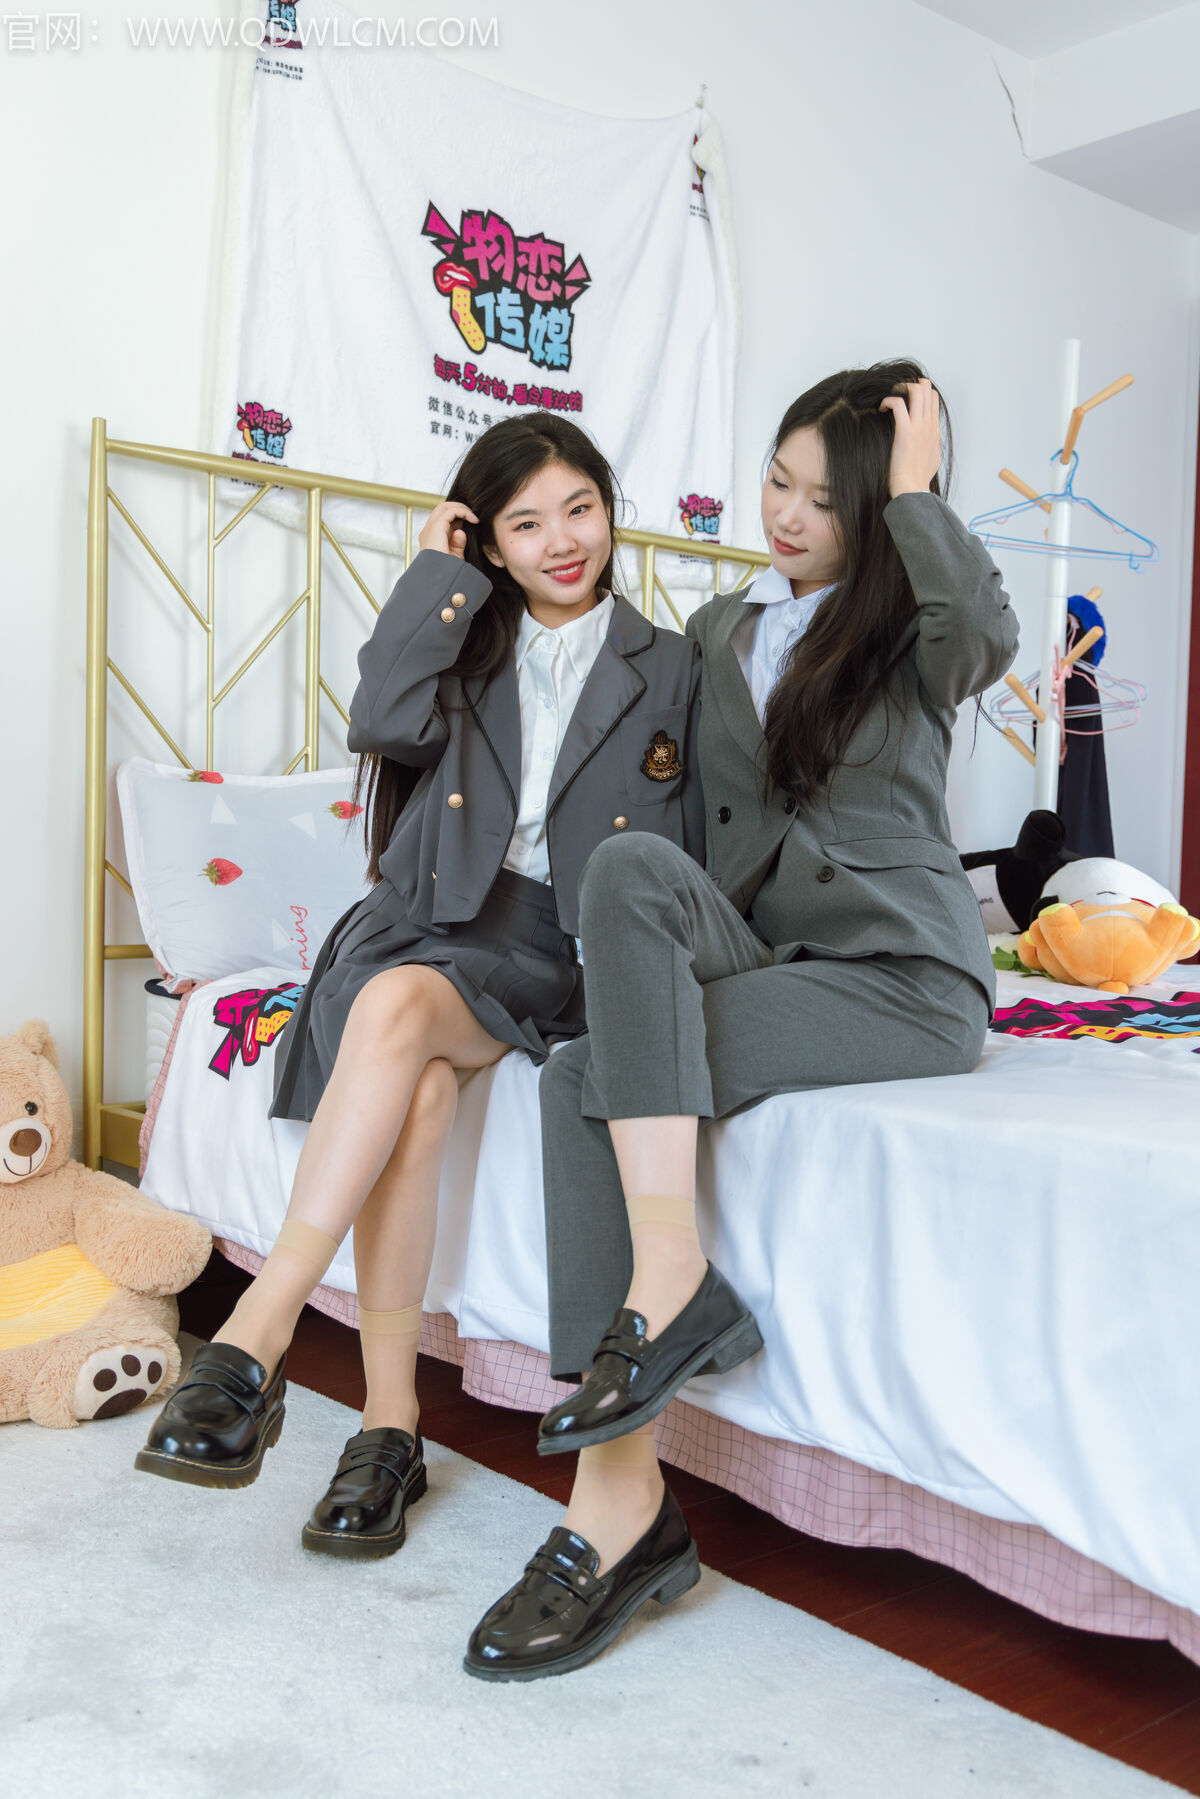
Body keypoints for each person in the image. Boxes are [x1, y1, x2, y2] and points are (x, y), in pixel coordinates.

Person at [465, 364, 1020, 1681]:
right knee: (615, 911)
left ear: (875, 512)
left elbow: (985, 639)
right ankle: (669, 1299)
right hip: (768, 946)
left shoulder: (912, 621)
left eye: (825, 500)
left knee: (587, 1080)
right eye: (776, 481)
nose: (786, 514)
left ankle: (615, 1508)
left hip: (898, 973)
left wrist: (917, 491)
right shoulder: (717, 629)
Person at [136, 414, 704, 1565]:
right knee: (423, 1092)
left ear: (611, 507)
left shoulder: (673, 664)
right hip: (418, 920)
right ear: (487, 542)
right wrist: (437, 582)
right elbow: (380, 720)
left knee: (396, 1010)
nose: (561, 540)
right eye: (525, 523)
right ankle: (388, 1428)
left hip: (549, 941)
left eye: (580, 509)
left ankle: (257, 1329)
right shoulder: (465, 641)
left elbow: (691, 841)